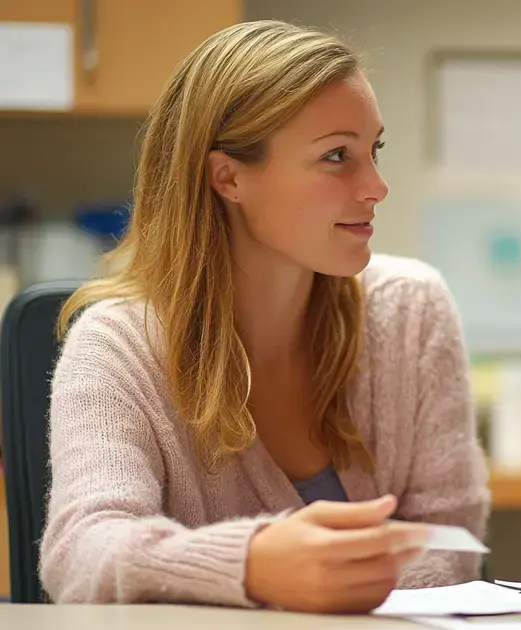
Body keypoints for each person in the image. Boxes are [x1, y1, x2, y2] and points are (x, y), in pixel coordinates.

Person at [39, 20, 490, 613]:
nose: (376, 185)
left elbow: (454, 548)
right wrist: (254, 565)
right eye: (336, 156)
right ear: (228, 177)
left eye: (372, 150)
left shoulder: (411, 308)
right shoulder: (117, 346)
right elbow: (82, 553)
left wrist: (327, 584)